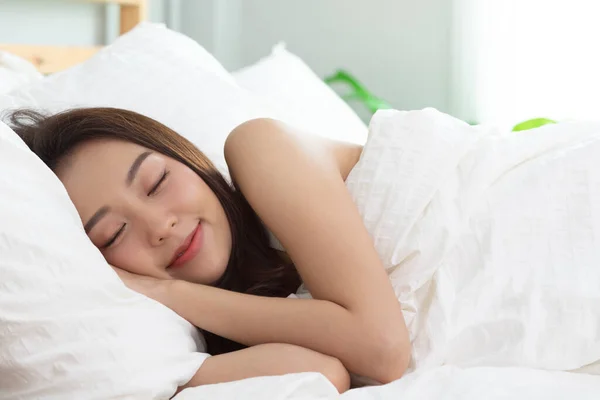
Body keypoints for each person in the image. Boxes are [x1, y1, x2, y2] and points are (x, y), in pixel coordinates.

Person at [8, 107, 410, 393]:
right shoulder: (178, 336)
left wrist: (167, 291)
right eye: (114, 235)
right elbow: (318, 374)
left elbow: (382, 349)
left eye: (156, 182)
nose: (160, 226)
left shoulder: (262, 148)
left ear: (187, 157)